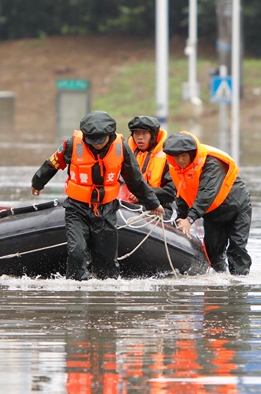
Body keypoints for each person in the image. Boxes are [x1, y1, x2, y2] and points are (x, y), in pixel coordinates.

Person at [31, 111, 165, 280]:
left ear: (110, 136)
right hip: (77, 208)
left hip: (106, 209)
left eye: (99, 141)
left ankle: (105, 299)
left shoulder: (121, 147)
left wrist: (153, 203)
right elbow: (52, 163)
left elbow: (135, 180)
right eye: (92, 140)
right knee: (77, 252)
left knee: (107, 262)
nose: (95, 145)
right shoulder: (73, 144)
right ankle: (77, 294)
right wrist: (37, 182)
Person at [163, 131, 252, 276]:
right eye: (176, 156)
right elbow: (182, 194)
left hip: (236, 207)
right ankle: (218, 288)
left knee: (237, 249)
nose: (180, 160)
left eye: (183, 156)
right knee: (213, 254)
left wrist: (190, 219)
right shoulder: (176, 169)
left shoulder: (212, 162)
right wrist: (181, 218)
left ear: (191, 153)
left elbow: (207, 193)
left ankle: (238, 288)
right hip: (212, 213)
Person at [118, 115, 176, 209]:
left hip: (159, 207)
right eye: (137, 133)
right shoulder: (125, 154)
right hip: (126, 205)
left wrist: (143, 195)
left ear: (153, 136)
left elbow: (171, 192)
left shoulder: (168, 158)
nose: (140, 138)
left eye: (144, 133)